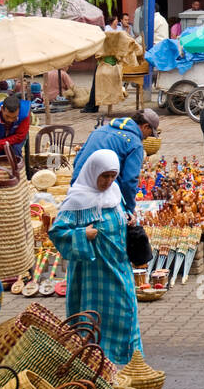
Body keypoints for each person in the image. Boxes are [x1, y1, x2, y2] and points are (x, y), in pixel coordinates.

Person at [47, 149, 143, 366]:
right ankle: (95, 364)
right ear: (93, 172)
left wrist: (129, 220)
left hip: (119, 267)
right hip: (92, 277)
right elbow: (57, 233)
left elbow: (121, 214)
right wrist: (82, 235)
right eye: (104, 176)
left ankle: (130, 361)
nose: (109, 181)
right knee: (95, 320)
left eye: (112, 176)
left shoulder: (114, 192)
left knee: (127, 311)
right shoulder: (78, 200)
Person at [70, 110, 159, 215]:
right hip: (101, 197)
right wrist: (129, 210)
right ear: (145, 126)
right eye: (150, 133)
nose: (147, 137)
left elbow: (77, 161)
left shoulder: (100, 130)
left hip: (77, 189)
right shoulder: (135, 143)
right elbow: (129, 181)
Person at [0, 94, 31, 168]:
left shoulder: (24, 114)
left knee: (14, 151)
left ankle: (18, 173)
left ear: (19, 111)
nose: (10, 120)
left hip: (16, 138)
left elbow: (19, 136)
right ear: (2, 109)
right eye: (7, 116)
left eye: (14, 117)